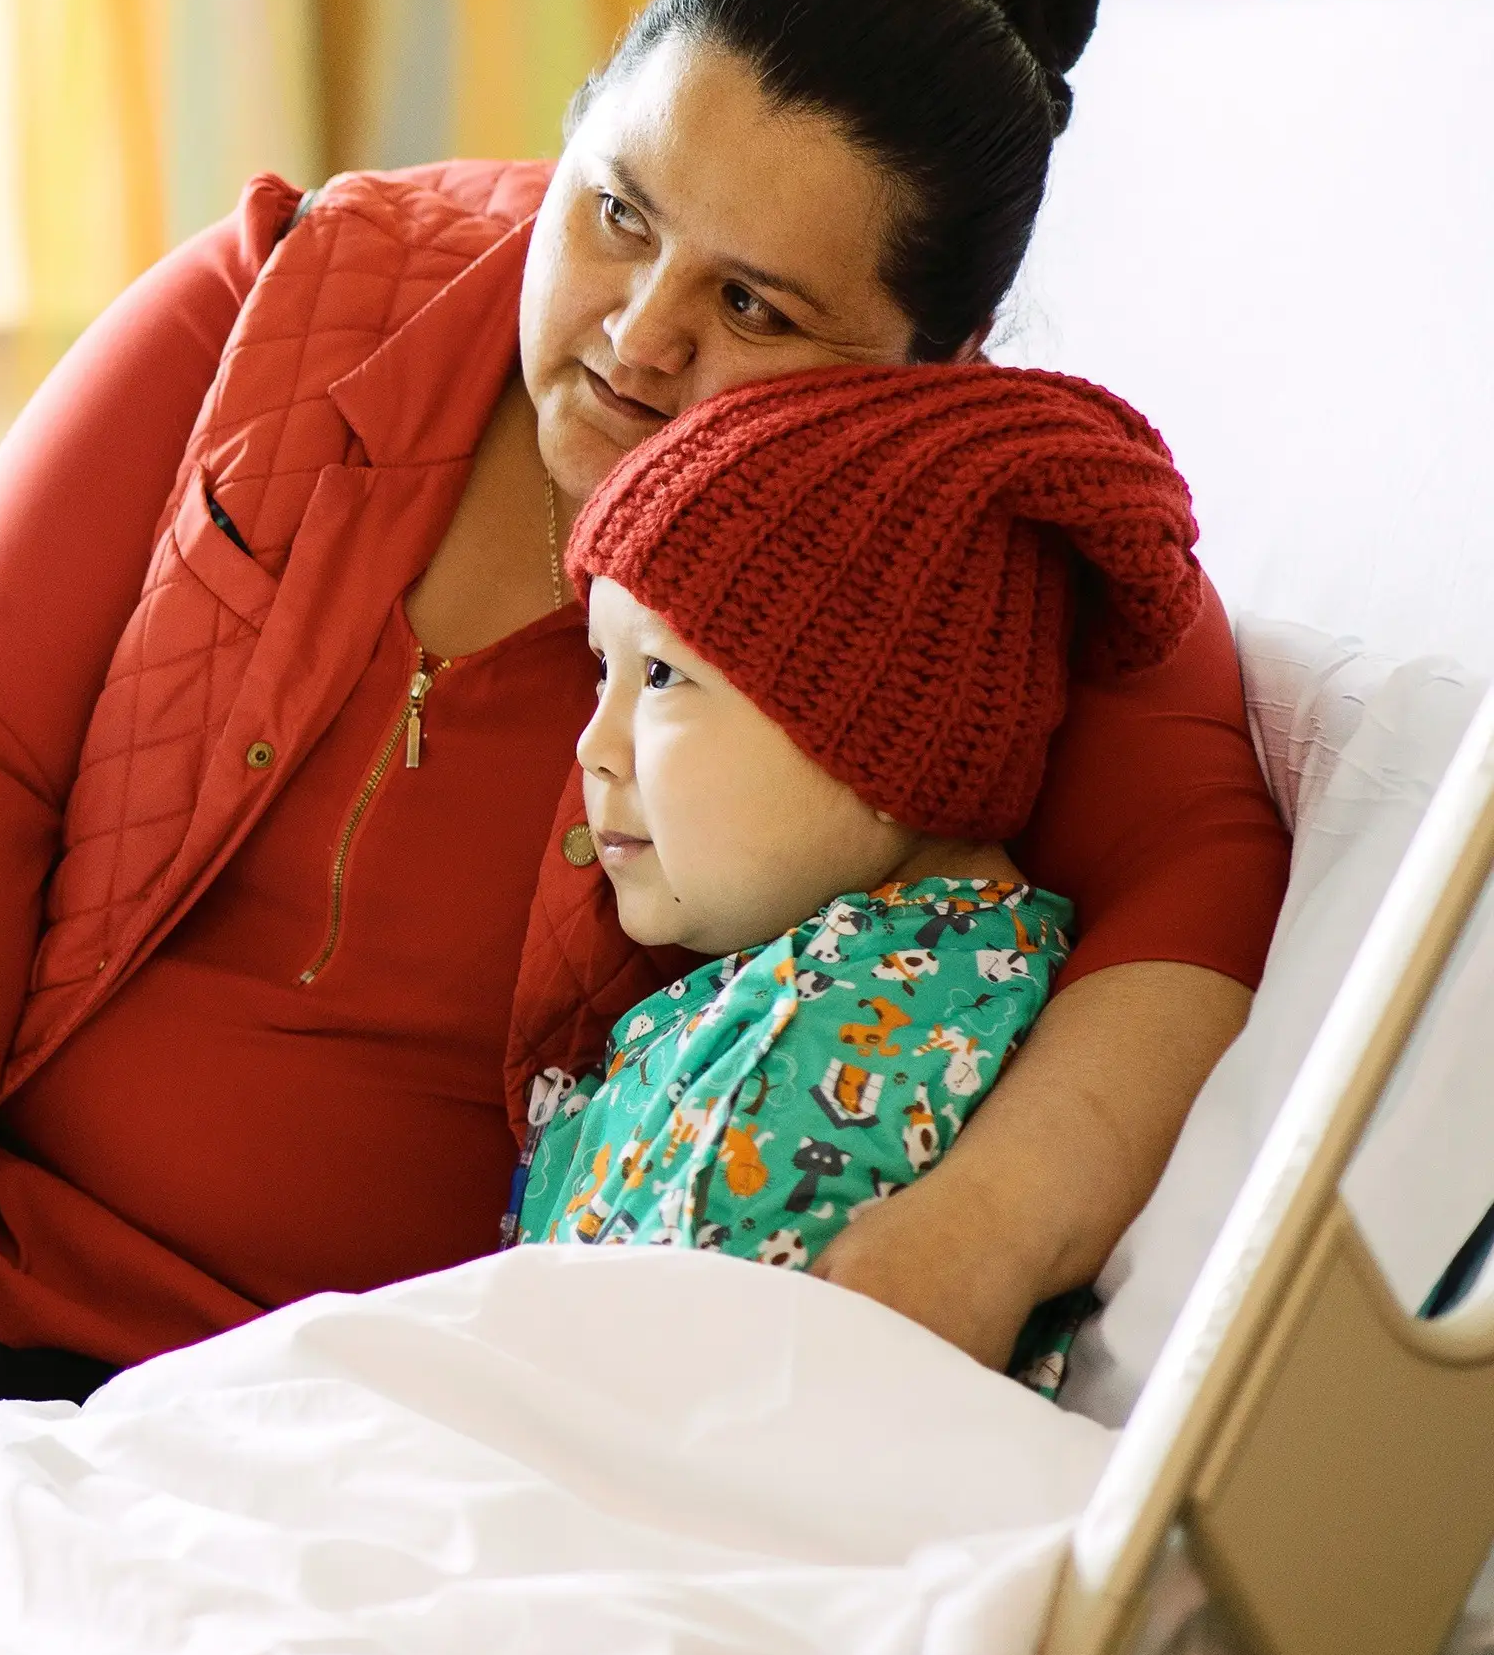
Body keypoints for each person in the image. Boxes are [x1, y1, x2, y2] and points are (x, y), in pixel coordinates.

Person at [0, 0, 1289, 1447]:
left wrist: (959, 1254)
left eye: (756, 310)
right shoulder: (287, 293)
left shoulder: (978, 527)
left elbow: (1195, 871)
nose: (639, 332)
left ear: (918, 372)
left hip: (360, 1376)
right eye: (616, 213)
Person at [508, 360, 1202, 1398]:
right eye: (598, 672)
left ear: (888, 745)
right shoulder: (890, 963)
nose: (593, 746)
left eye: (660, 677)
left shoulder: (813, 1054)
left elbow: (634, 1418)